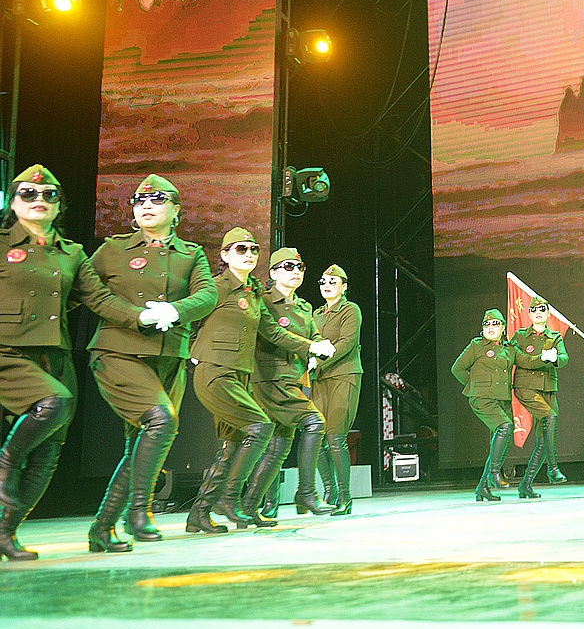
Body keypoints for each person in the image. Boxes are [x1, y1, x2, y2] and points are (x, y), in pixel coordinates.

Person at [0, 165, 163, 561]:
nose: (39, 200)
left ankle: (5, 532)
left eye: (49, 195)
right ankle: (4, 466)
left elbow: (99, 299)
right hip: (7, 351)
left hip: (54, 353)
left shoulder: (71, 253)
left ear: (60, 206)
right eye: (28, 194)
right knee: (55, 402)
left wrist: (141, 316)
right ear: (13, 201)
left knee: (48, 453)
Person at [86, 174, 218, 552]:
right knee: (161, 420)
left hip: (169, 357)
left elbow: (207, 295)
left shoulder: (191, 254)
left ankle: (102, 527)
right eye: (139, 201)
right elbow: (87, 292)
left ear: (176, 211)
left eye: (157, 201)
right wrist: (136, 316)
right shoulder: (112, 249)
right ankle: (138, 512)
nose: (146, 205)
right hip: (119, 350)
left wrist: (175, 311)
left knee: (140, 445)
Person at [185, 228, 334, 534]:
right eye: (241, 249)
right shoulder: (216, 287)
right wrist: (192, 352)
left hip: (239, 374)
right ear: (225, 255)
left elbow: (273, 332)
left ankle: (199, 513)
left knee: (232, 444)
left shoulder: (252, 293)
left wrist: (311, 347)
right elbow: (188, 315)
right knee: (262, 428)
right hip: (218, 371)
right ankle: (229, 499)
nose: (249, 254)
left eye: (253, 249)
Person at [239, 248, 337, 526]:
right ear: (273, 272)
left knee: (279, 446)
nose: (295, 272)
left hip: (293, 378)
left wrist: (320, 347)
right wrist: (310, 347)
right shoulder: (264, 301)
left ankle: (248, 508)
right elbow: (274, 333)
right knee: (314, 422)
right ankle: (306, 492)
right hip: (271, 378)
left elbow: (313, 333)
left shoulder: (303, 307)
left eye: (299, 267)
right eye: (288, 266)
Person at [312, 264, 363, 515]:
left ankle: (345, 496)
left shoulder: (350, 310)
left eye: (333, 282)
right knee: (317, 436)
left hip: (344, 374)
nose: (327, 285)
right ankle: (330, 490)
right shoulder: (316, 314)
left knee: (335, 437)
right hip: (320, 378)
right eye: (323, 281)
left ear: (344, 287)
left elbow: (346, 343)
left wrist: (318, 360)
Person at [451, 309, 516, 502]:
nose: (490, 327)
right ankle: (494, 474)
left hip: (502, 399)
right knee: (505, 426)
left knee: (502, 441)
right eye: (487, 324)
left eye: (495, 324)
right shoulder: (476, 345)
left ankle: (482, 488)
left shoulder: (509, 349)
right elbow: (457, 368)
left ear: (503, 328)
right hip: (482, 398)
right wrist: (475, 386)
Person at [511, 296, 569, 497]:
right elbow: (519, 359)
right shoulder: (520, 336)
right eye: (534, 310)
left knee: (544, 440)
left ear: (547, 313)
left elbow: (564, 358)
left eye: (542, 310)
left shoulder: (554, 336)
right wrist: (543, 358)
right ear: (529, 314)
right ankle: (553, 469)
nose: (538, 313)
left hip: (548, 389)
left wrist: (555, 359)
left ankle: (525, 485)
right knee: (550, 417)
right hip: (526, 387)